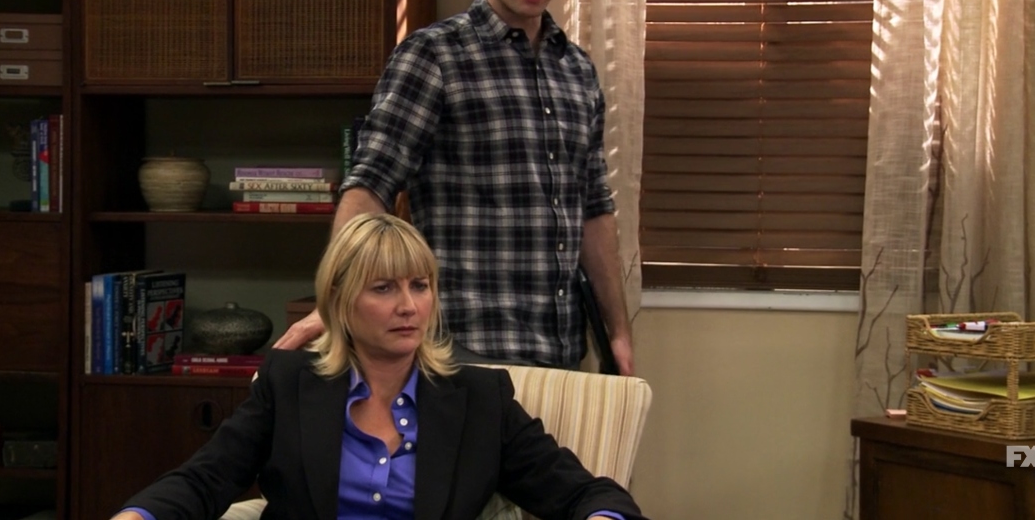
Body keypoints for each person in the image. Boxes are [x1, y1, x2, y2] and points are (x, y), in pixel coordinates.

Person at [274, 0, 634, 374]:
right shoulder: (435, 57)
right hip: (464, 351)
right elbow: (371, 184)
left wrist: (617, 333)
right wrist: (333, 300)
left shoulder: (577, 71)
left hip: (560, 352)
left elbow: (594, 210)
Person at [108, 214, 647, 520]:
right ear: (340, 301)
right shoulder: (288, 384)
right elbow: (205, 479)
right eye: (384, 288)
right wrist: (138, 516)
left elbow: (584, 493)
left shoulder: (481, 399)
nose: (409, 306)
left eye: (420, 286)